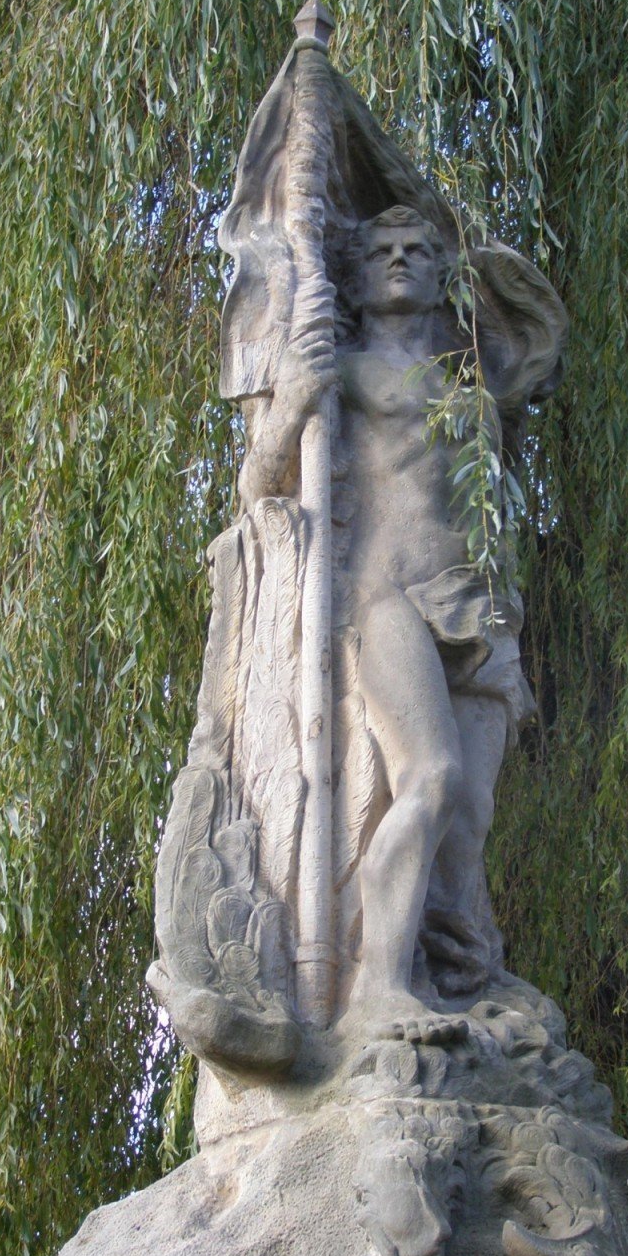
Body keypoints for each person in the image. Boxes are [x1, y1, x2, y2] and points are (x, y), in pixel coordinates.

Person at [238, 205, 531, 1043]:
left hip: (478, 608)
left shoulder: (472, 394)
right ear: (359, 279)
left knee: (465, 832)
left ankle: (461, 985)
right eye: (384, 250)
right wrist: (294, 394)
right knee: (430, 777)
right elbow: (257, 488)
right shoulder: (345, 374)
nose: (401, 260)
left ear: (443, 278)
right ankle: (378, 992)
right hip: (385, 598)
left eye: (418, 251)